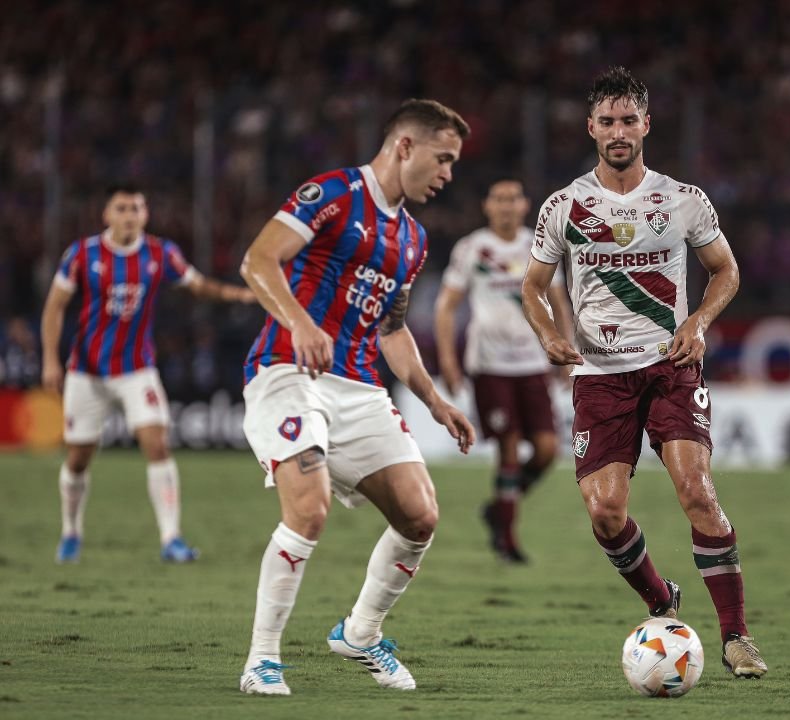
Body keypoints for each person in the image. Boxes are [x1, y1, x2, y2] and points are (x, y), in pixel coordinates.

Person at [521, 67, 768, 679]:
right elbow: (533, 285)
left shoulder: (683, 199)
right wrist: (550, 333)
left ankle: (737, 637)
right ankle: (661, 600)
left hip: (670, 366)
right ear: (590, 128)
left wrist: (701, 321)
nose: (618, 130)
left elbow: (726, 271)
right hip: (599, 376)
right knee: (605, 511)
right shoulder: (565, 206)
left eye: (628, 119)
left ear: (646, 125)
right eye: (607, 121)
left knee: (696, 491)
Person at [237, 99, 476, 696]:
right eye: (442, 159)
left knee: (420, 515)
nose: (448, 174)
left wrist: (434, 400)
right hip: (288, 372)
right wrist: (300, 323)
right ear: (404, 147)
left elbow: (392, 331)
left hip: (359, 387)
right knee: (309, 507)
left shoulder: (414, 239)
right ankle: (262, 660)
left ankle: (361, 633)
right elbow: (257, 260)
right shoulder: (333, 193)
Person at [40, 183, 255, 565]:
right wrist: (51, 361)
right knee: (78, 458)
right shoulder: (82, 254)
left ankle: (171, 538)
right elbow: (55, 307)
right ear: (107, 214)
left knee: (158, 446)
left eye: (136, 208)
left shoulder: (161, 253)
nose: (130, 215)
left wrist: (236, 295)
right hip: (86, 372)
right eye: (122, 208)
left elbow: (198, 285)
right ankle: (71, 532)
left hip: (136, 368)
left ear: (146, 213)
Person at [434, 179, 572, 563]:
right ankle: (507, 538)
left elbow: (558, 300)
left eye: (513, 199)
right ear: (487, 206)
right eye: (499, 199)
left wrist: (564, 344)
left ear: (525, 204)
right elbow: (446, 306)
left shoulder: (538, 244)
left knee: (547, 450)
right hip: (490, 365)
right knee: (508, 447)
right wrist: (448, 360)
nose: (506, 206)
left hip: (532, 361)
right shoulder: (472, 248)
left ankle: (499, 508)